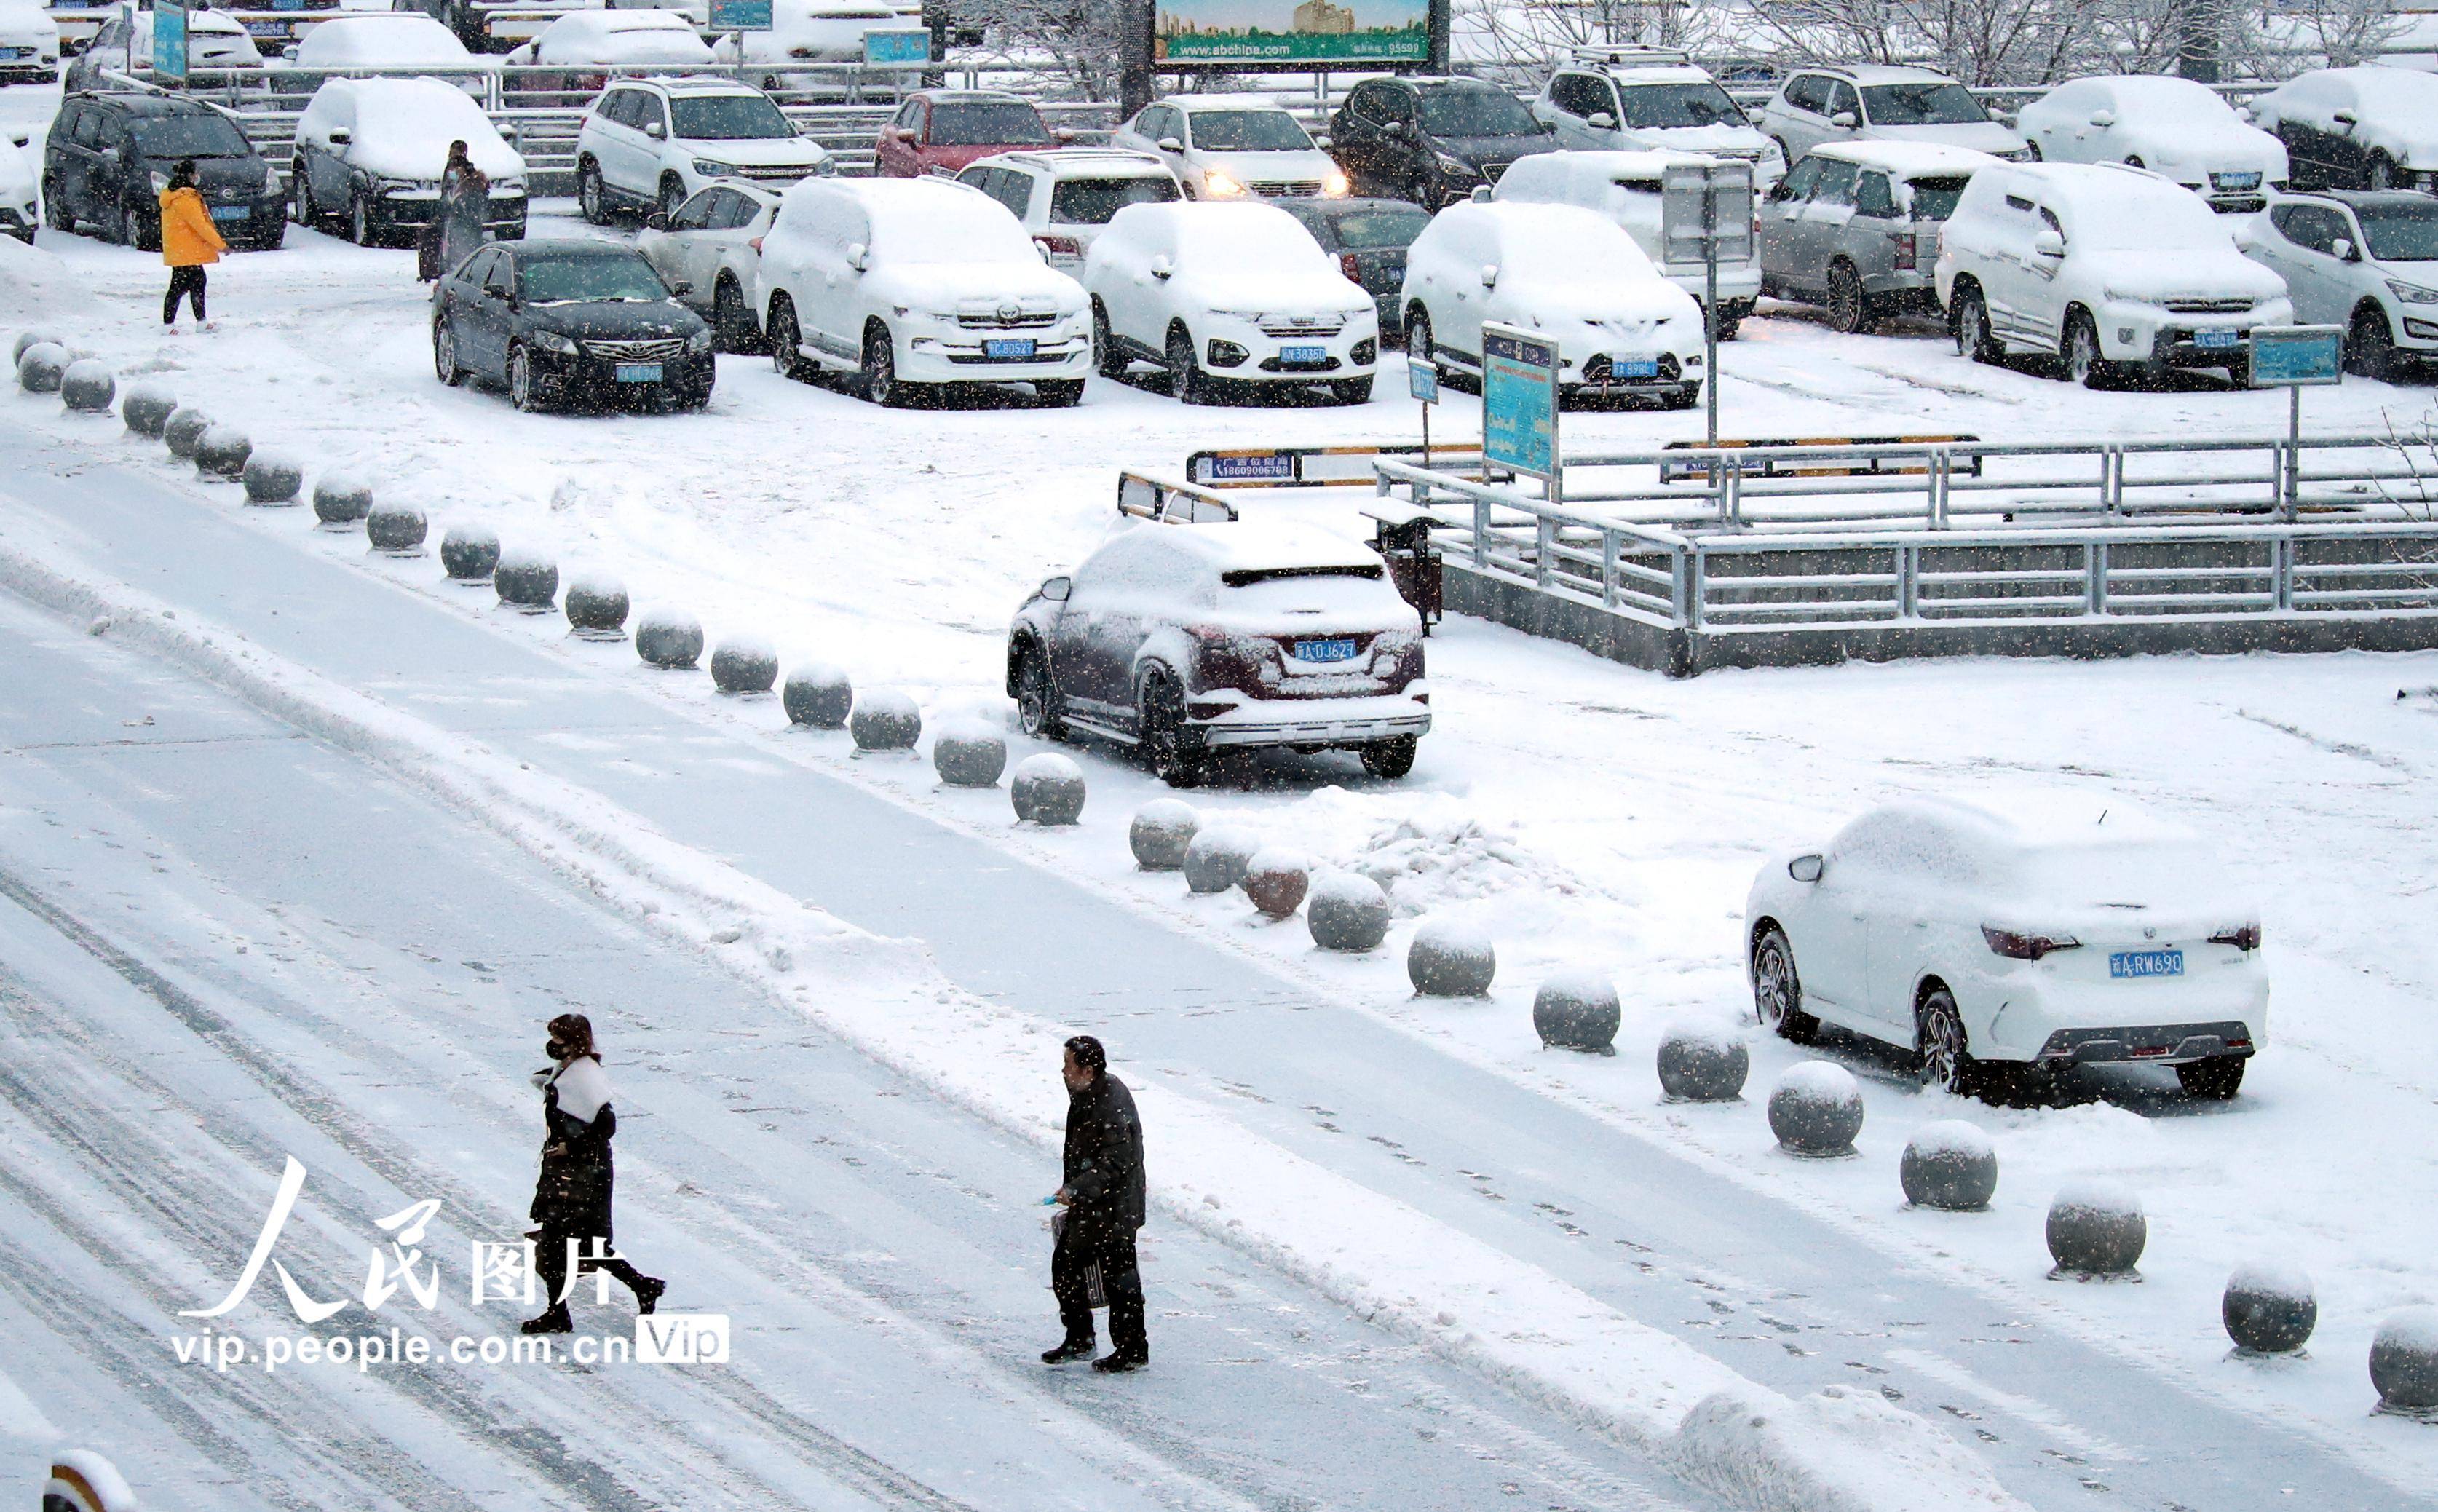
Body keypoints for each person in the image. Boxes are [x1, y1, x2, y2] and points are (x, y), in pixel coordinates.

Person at [522, 1013, 665, 1334]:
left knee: (565, 1243)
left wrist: (568, 1149)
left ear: (572, 1042)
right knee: (574, 1242)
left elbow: (605, 1124)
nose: (552, 1045)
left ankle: (561, 1313)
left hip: (582, 1174)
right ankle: (640, 1286)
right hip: (573, 1171)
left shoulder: (584, 1076)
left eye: (558, 1039)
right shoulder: (572, 1070)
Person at [1042, 1034, 1148, 1373]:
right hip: (1092, 1204)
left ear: (1086, 1070)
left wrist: (1076, 1188)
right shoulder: (1088, 1093)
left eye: (1068, 1065)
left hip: (1115, 1208)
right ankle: (1080, 1337)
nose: (1063, 1071)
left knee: (1121, 1278)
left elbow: (1116, 1163)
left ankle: (1132, 1350)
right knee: (1066, 1264)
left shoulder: (1111, 1104)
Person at [157, 159, 224, 330]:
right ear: (189, 176)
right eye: (195, 173)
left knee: (194, 282)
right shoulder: (186, 198)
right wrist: (221, 245)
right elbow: (201, 225)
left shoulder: (173, 195)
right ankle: (171, 325)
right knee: (182, 286)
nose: (197, 176)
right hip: (187, 250)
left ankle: (199, 322)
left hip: (182, 249)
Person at [432, 140, 490, 282]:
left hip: (461, 221)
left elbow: (450, 197)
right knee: (460, 254)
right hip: (464, 221)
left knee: (455, 254)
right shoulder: (466, 171)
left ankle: (453, 284)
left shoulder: (460, 171)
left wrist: (444, 212)